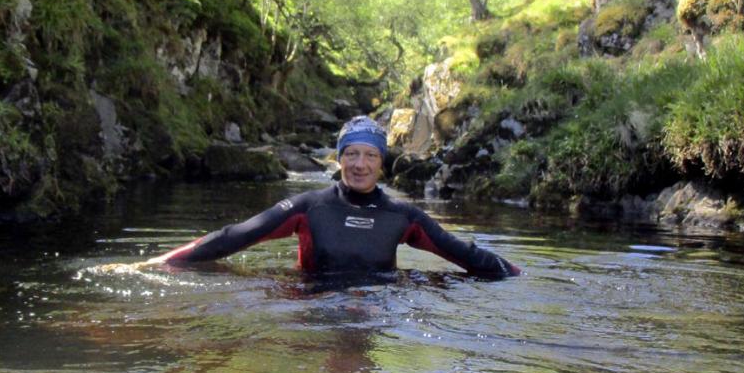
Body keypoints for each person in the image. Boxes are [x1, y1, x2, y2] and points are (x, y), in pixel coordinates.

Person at [149, 116, 519, 278]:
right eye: (351, 154)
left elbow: (463, 254)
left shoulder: (404, 217)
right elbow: (236, 236)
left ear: (381, 163)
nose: (360, 164)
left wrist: (516, 274)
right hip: (314, 310)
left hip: (378, 314)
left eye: (370, 155)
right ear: (339, 158)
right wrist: (161, 262)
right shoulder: (309, 207)